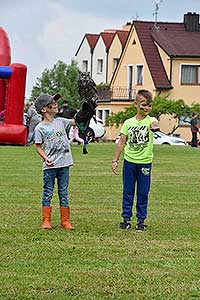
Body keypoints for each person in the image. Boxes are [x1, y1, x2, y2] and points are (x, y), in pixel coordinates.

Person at [112, 89, 158, 232]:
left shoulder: (151, 120)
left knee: (143, 192)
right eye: (143, 104)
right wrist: (115, 160)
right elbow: (121, 142)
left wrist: (154, 127)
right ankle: (126, 219)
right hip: (129, 162)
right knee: (128, 191)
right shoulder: (128, 123)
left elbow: (155, 124)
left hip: (145, 163)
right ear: (136, 104)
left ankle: (141, 220)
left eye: (149, 105)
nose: (146, 108)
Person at [34, 93, 75, 230]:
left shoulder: (61, 121)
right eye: (52, 102)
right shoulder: (40, 128)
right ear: (44, 109)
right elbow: (38, 146)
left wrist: (87, 112)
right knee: (48, 192)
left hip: (64, 164)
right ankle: (46, 220)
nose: (56, 104)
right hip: (50, 166)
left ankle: (66, 221)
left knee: (63, 192)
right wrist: (45, 158)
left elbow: (76, 122)